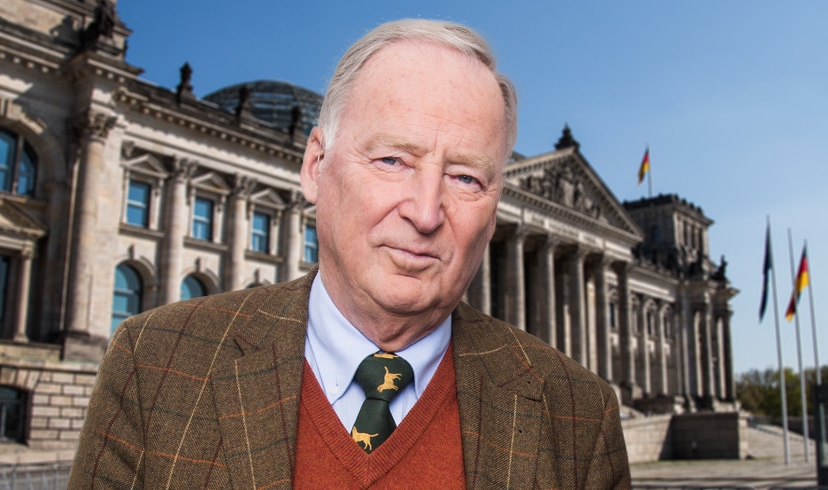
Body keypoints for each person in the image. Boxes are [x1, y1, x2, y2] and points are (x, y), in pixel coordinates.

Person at [69, 19, 630, 489]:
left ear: (494, 205)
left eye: (464, 177)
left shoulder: (580, 415)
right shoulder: (155, 366)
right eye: (392, 160)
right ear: (316, 166)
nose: (425, 212)